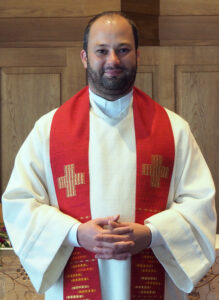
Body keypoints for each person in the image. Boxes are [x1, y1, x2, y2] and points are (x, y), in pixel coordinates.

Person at [2, 11, 216, 300]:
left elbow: (199, 204)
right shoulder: (49, 130)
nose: (113, 60)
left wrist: (151, 235)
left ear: (138, 56)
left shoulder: (174, 130)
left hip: (153, 279)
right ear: (84, 57)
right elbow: (20, 203)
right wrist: (76, 234)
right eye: (101, 51)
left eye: (123, 50)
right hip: (74, 281)